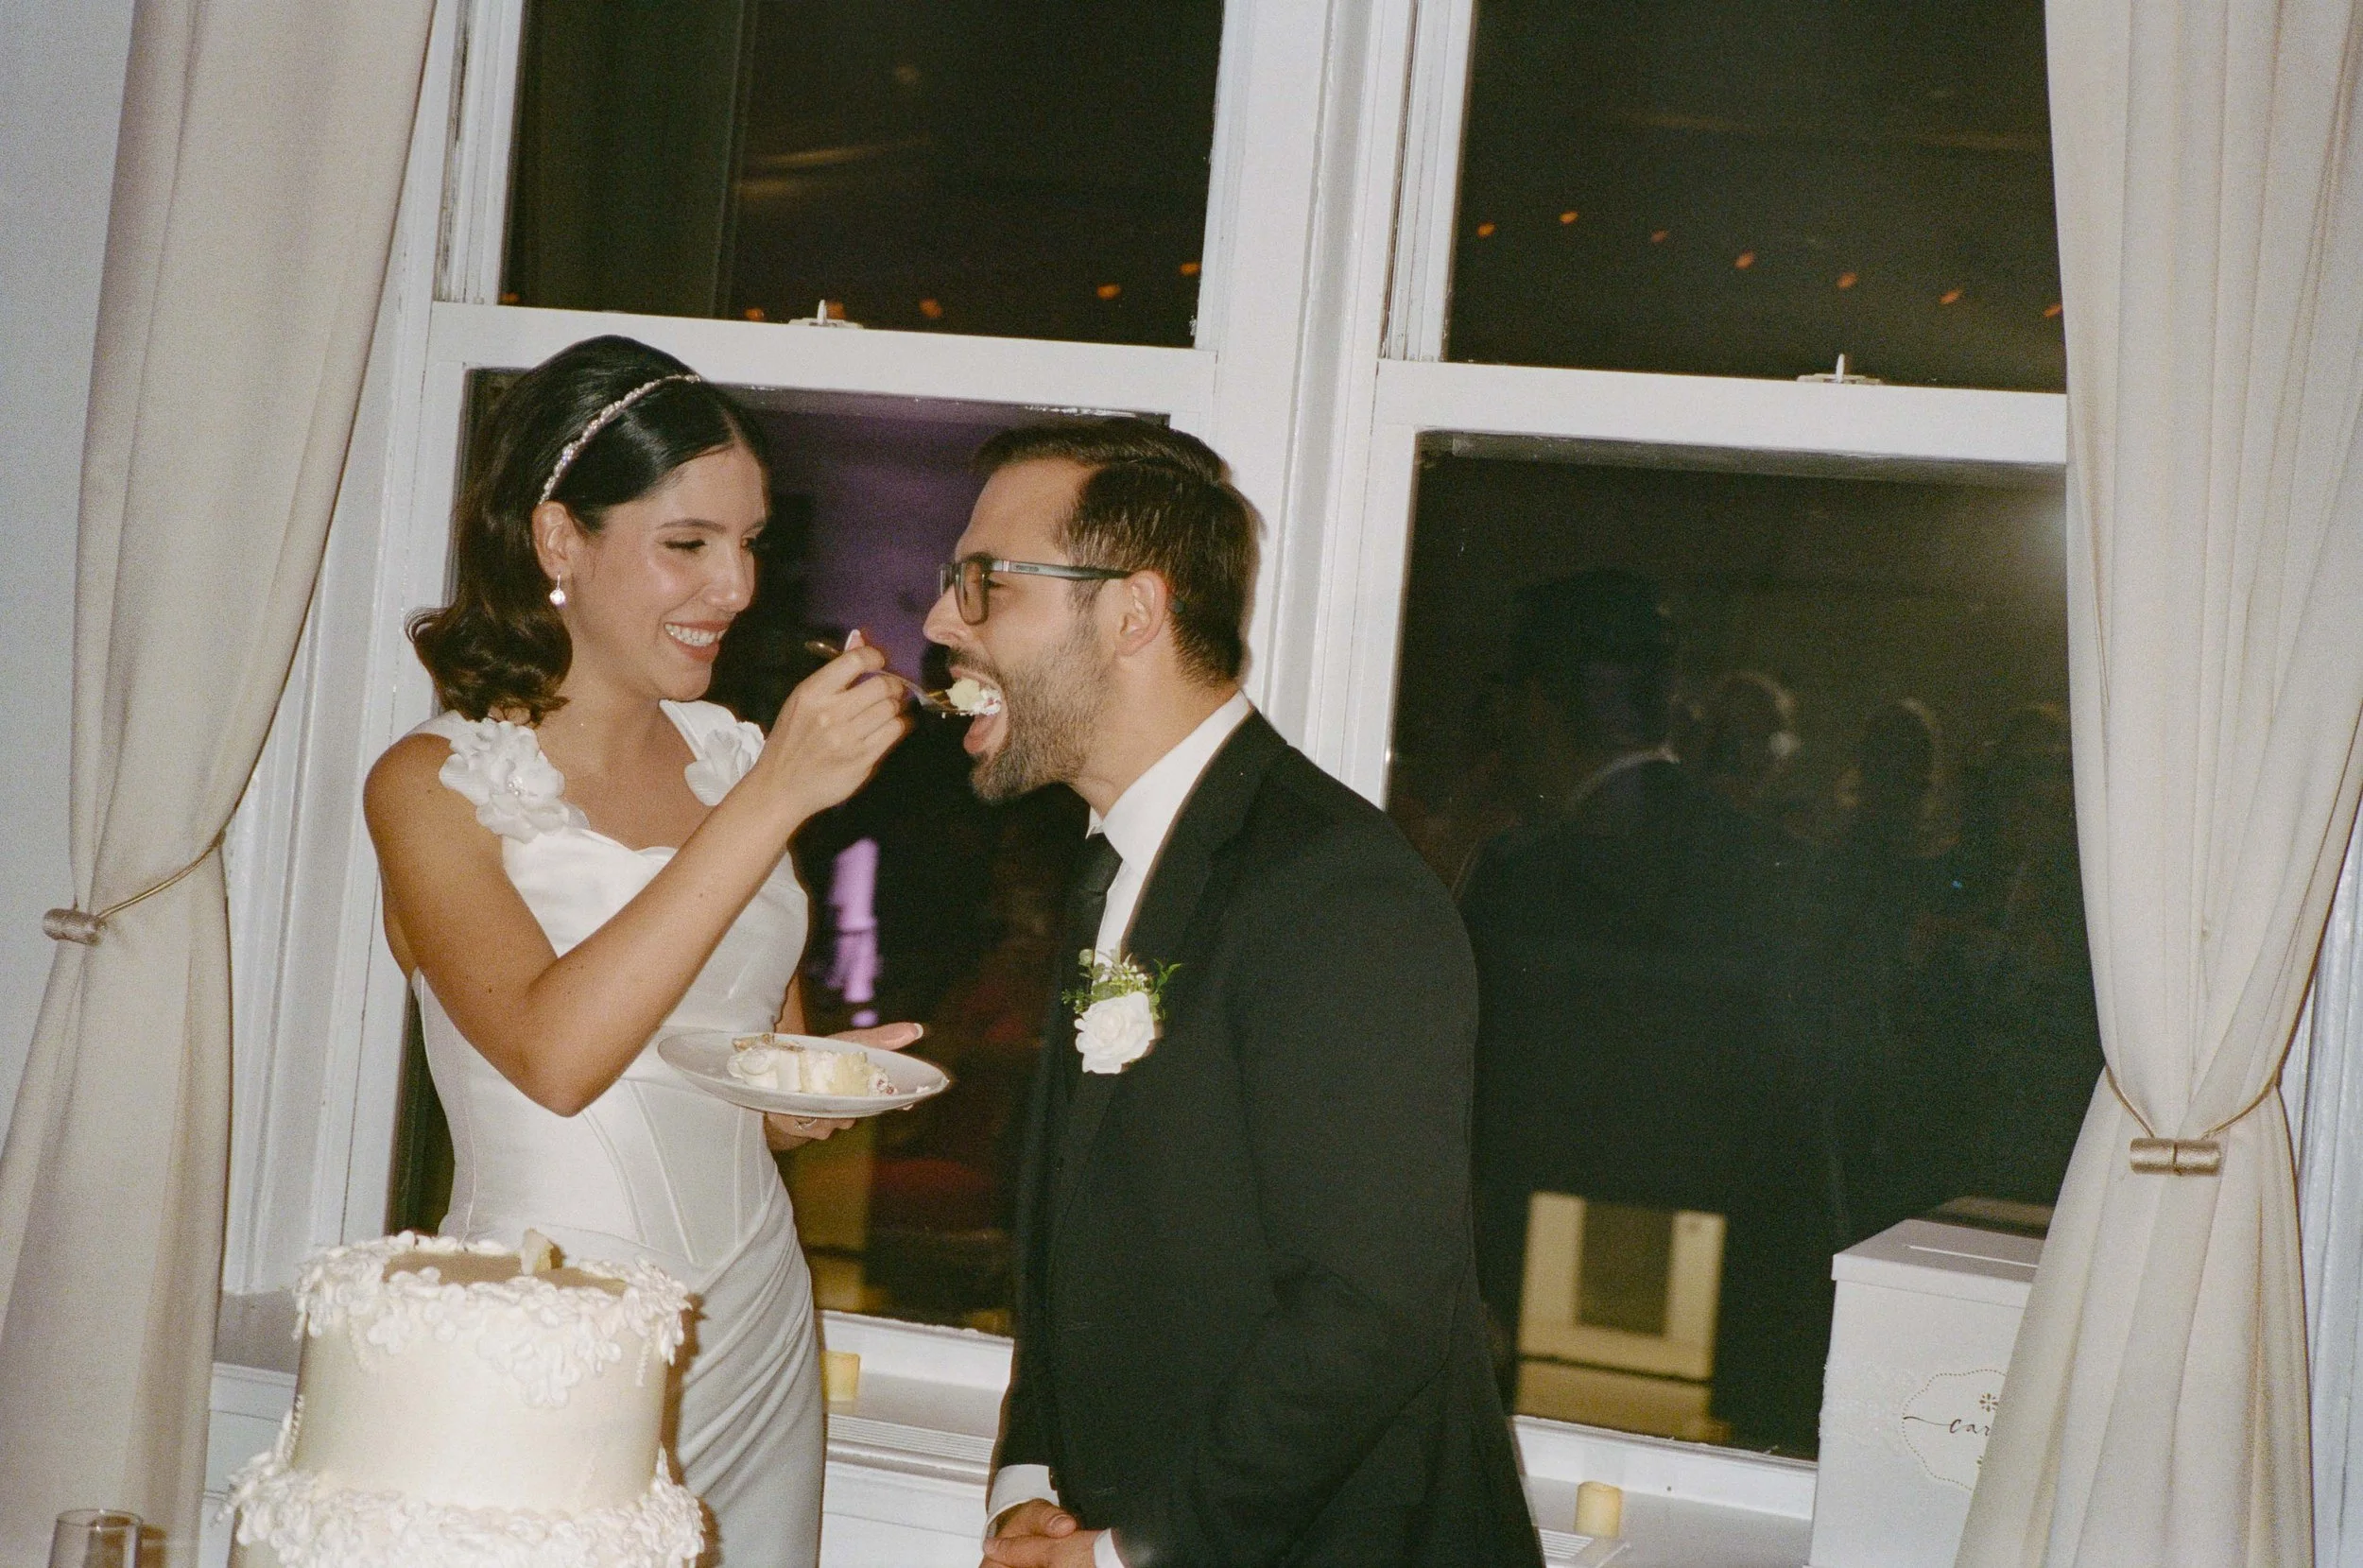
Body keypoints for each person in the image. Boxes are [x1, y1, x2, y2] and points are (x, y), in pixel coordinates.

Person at [927, 421, 1542, 1568]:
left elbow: (1371, 1316)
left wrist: (1128, 1554)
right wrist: (1029, 1478)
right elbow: (1071, 1225)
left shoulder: (1336, 894)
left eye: (982, 584)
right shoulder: (1113, 857)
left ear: (1132, 614)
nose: (939, 622)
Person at [364, 335, 911, 1566]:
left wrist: (801, 1089)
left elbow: (732, 1054)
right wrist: (775, 799)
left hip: (757, 1315)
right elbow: (556, 1055)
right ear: (559, 539)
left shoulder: (725, 751)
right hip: (558, 1326)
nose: (736, 585)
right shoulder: (433, 784)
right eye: (689, 542)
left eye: (752, 541)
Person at [1456, 570, 1822, 1450]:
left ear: (1540, 704)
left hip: (1559, 1300)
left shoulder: (1523, 877)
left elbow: (1477, 1107)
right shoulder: (1776, 863)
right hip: (1742, 1309)